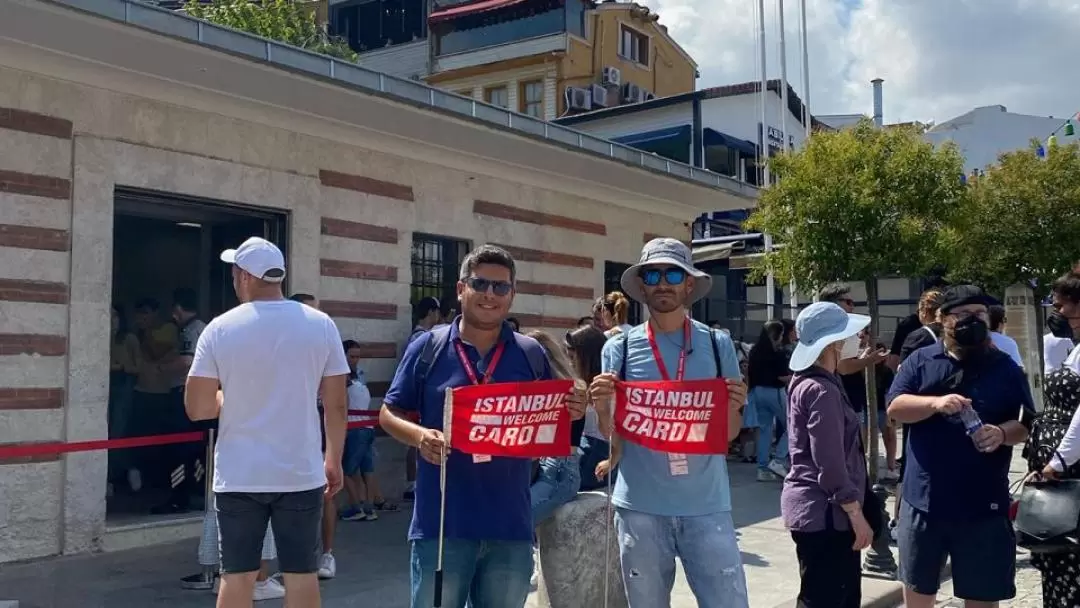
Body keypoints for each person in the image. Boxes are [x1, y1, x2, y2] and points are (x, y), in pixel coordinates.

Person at [379, 244, 587, 608]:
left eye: (501, 287)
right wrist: (419, 436)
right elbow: (388, 413)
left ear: (512, 294)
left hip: (510, 524)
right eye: (480, 284)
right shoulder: (427, 347)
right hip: (441, 526)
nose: (490, 294)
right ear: (461, 290)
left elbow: (548, 420)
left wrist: (572, 408)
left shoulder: (529, 353)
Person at [185, 237, 349, 608]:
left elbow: (198, 408)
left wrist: (230, 397)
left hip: (240, 475)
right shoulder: (321, 325)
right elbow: (336, 405)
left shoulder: (219, 328)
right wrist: (333, 459)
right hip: (300, 472)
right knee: (302, 576)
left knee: (238, 576)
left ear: (244, 276)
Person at [589, 238, 749, 608]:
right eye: (653, 274)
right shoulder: (619, 348)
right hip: (639, 509)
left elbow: (727, 436)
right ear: (642, 285)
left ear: (688, 284)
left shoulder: (716, 343)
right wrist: (601, 408)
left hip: (707, 506)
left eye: (673, 273)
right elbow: (611, 433)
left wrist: (733, 407)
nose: (663, 282)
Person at [887, 284, 1035, 608]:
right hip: (924, 502)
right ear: (942, 319)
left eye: (980, 313)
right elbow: (895, 407)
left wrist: (1000, 433)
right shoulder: (920, 361)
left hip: (984, 506)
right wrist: (935, 403)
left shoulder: (1006, 367)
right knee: (918, 593)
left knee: (982, 597)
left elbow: (1024, 423)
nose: (974, 320)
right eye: (964, 314)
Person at [783, 301, 874, 608]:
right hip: (827, 515)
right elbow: (830, 462)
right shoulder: (822, 390)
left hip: (815, 511)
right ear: (834, 343)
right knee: (830, 598)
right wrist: (856, 514)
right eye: (848, 335)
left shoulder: (808, 381)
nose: (855, 340)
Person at [1027, 269, 1080, 606]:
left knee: (1070, 561)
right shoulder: (1074, 348)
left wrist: (1057, 461)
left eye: (1063, 306)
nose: (1057, 313)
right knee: (1057, 556)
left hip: (1070, 470)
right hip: (1062, 469)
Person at [288, 292, 343, 579]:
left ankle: (327, 554)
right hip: (289, 431)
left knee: (326, 495)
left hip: (318, 430)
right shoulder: (283, 346)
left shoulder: (325, 341)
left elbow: (337, 403)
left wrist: (334, 454)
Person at [339, 340, 397, 521]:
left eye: (357, 356)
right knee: (367, 470)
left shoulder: (344, 377)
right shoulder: (359, 378)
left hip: (355, 429)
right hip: (367, 428)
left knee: (346, 471)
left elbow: (342, 404)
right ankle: (369, 508)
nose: (355, 360)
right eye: (352, 356)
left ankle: (357, 508)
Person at [571, 325, 616, 491]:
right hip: (585, 445)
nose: (570, 362)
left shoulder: (606, 385)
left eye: (573, 357)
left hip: (600, 451)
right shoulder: (580, 382)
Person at [747, 321, 791, 481]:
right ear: (777, 335)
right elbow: (781, 376)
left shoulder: (754, 351)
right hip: (775, 391)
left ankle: (762, 468)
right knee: (792, 425)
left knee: (764, 431)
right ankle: (778, 459)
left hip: (757, 391)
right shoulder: (777, 353)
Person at [988, 304, 1024, 368]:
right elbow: (1018, 368)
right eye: (1005, 320)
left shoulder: (976, 340)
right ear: (1000, 323)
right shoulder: (1009, 342)